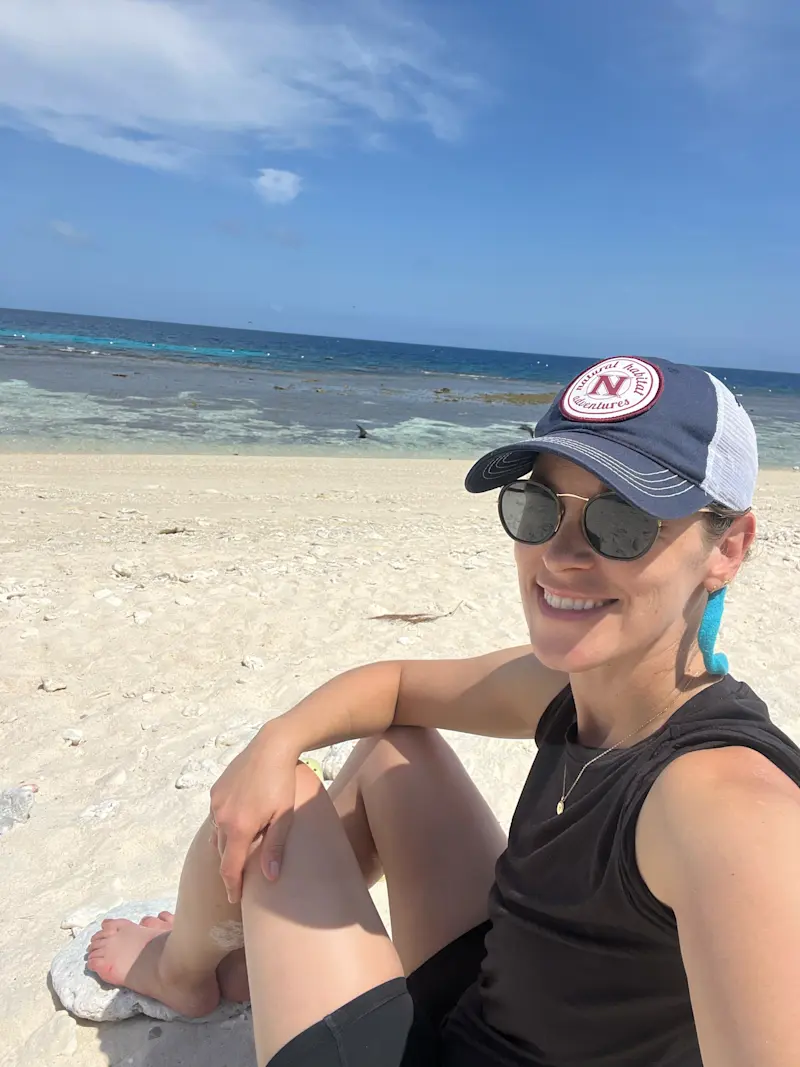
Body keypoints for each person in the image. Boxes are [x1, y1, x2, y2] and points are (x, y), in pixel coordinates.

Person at [87, 355, 800, 1067]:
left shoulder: (727, 807)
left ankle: (180, 975)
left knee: (288, 805)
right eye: (540, 506)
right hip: (501, 1003)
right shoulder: (579, 688)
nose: (560, 554)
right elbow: (398, 686)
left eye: (623, 521)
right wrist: (276, 740)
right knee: (394, 749)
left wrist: (278, 771)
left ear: (728, 547)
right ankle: (257, 952)